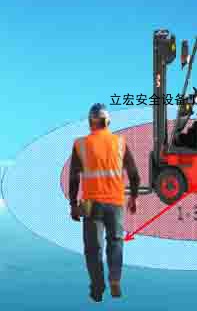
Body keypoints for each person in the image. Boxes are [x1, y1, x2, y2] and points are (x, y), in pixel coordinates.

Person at [69, 103, 140, 302]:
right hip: (115, 203)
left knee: (93, 249)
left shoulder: (81, 145)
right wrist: (133, 197)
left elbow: (73, 178)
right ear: (107, 122)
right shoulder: (120, 143)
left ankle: (98, 288)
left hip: (91, 204)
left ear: (90, 122)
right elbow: (134, 174)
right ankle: (115, 279)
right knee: (115, 242)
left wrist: (73, 204)